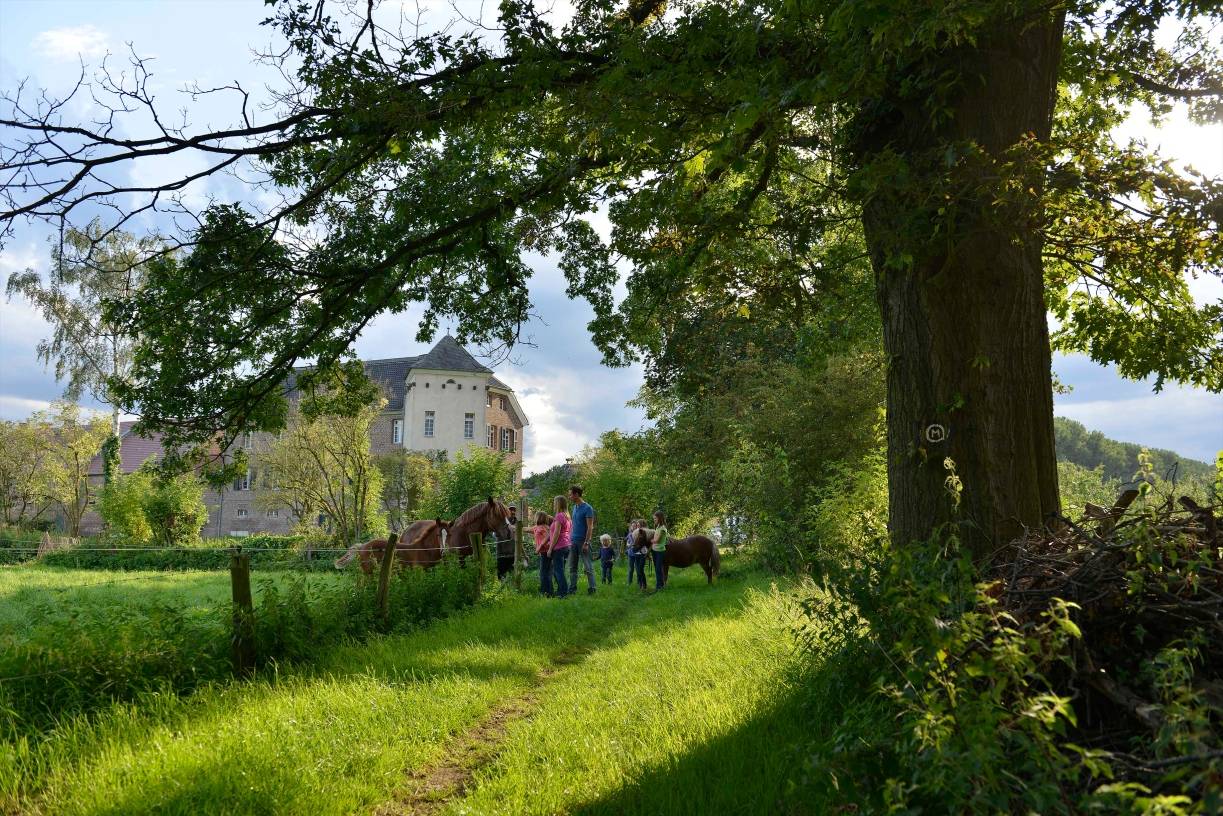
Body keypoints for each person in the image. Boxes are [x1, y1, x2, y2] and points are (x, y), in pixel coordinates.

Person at [566, 485, 597, 596]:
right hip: (573, 541)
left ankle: (592, 589)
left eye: (570, 494)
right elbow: (574, 525)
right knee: (572, 567)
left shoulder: (588, 508)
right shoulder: (574, 507)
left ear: (577, 494)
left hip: (583, 542)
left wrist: (587, 543)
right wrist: (570, 539)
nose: (569, 496)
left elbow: (590, 527)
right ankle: (572, 589)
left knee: (588, 567)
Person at [547, 496, 570, 598]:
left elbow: (556, 533)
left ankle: (563, 593)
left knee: (558, 571)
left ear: (559, 504)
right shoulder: (567, 516)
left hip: (559, 547)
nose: (553, 504)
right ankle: (561, 591)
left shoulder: (559, 516)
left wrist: (550, 548)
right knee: (560, 570)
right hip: (566, 545)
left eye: (555, 502)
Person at [532, 510, 554, 596]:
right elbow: (528, 529)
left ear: (538, 517)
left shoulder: (543, 528)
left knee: (544, 573)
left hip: (545, 553)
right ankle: (549, 591)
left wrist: (539, 547)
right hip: (546, 552)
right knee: (547, 572)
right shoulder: (540, 527)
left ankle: (545, 592)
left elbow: (548, 538)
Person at [496, 504, 518, 580]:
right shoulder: (501, 522)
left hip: (513, 554)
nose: (512, 512)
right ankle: (502, 591)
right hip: (502, 554)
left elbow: (519, 538)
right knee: (501, 575)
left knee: (513, 576)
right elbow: (495, 534)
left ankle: (512, 591)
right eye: (510, 510)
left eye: (514, 510)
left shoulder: (517, 522)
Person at [650, 510, 669, 590]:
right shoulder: (657, 527)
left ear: (660, 518)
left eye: (655, 519)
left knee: (658, 569)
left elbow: (657, 540)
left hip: (660, 551)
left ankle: (659, 586)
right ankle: (660, 585)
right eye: (654, 519)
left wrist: (650, 540)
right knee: (657, 569)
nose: (654, 520)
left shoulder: (662, 528)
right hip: (655, 550)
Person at [629, 519, 649, 590]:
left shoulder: (644, 532)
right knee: (638, 570)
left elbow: (645, 543)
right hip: (636, 554)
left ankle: (644, 585)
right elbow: (631, 541)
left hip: (642, 553)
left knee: (640, 569)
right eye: (637, 525)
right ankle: (641, 585)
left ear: (642, 525)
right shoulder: (634, 532)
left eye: (638, 525)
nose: (637, 526)